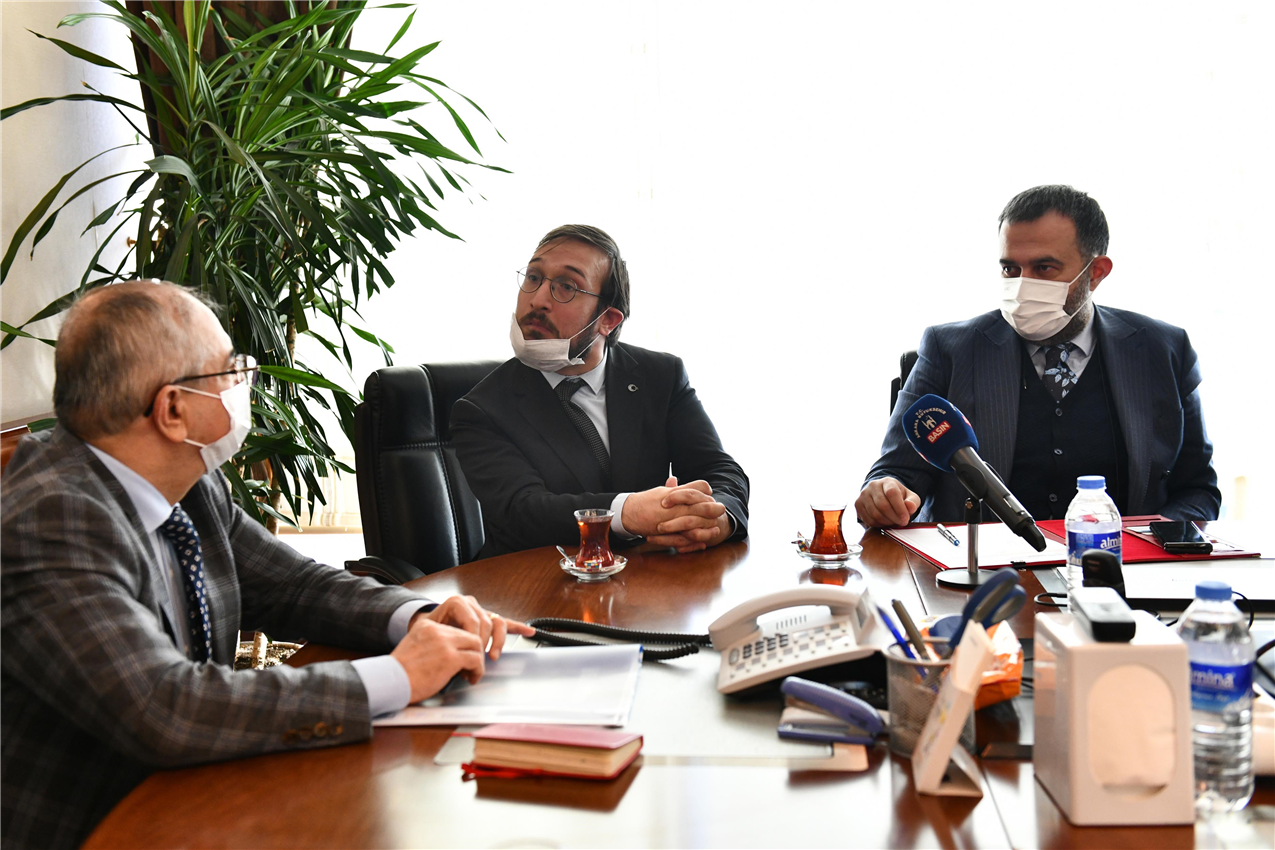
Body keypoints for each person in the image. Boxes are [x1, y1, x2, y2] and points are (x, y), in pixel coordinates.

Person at [0, 281, 533, 850]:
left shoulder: (187, 480)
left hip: (194, 791)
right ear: (173, 410)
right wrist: (398, 677)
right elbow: (164, 707)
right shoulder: (51, 517)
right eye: (229, 371)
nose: (244, 384)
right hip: (99, 826)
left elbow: (294, 586)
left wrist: (418, 616)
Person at [857, 185, 1220, 528]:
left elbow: (1197, 490)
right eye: (1010, 269)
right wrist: (886, 494)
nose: (1021, 286)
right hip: (981, 567)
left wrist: (1155, 542)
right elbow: (896, 473)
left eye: (1043, 268)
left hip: (1117, 563)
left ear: (1096, 273)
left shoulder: (1162, 350)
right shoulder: (949, 349)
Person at [452, 224, 749, 558]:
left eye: (566, 286)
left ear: (608, 319)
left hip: (649, 576)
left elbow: (719, 470)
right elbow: (523, 511)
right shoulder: (482, 409)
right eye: (533, 277)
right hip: (532, 579)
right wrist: (628, 512)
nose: (537, 300)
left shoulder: (660, 375)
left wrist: (717, 518)